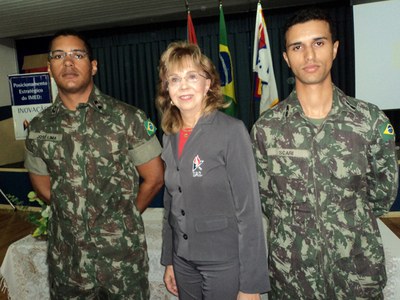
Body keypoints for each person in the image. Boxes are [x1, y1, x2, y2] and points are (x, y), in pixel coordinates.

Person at [251, 7, 399, 299]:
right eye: (297, 47)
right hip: (293, 277)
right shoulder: (266, 129)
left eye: (318, 43)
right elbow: (264, 199)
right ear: (286, 58)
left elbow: (383, 193)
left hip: (357, 273)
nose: (309, 55)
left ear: (334, 49)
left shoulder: (370, 120)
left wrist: (344, 220)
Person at [24, 29, 164, 299]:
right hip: (68, 261)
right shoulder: (39, 126)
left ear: (93, 65)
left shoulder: (128, 118)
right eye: (59, 56)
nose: (68, 63)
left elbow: (155, 177)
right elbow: (41, 183)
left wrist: (123, 220)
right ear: (50, 67)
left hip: (122, 261)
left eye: (78, 55)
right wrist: (73, 214)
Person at [156, 41, 270, 300]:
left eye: (192, 76)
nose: (183, 86)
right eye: (174, 79)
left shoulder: (231, 131)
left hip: (224, 262)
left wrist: (251, 284)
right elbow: (171, 202)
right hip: (183, 261)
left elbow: (249, 211)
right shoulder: (169, 135)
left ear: (208, 84)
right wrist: (169, 260)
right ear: (167, 89)